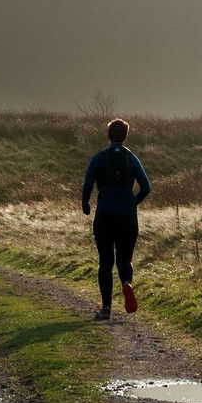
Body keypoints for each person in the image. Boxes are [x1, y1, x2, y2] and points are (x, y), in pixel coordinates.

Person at [81, 118, 150, 320]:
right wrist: (132, 203)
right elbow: (146, 187)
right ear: (126, 136)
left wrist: (86, 205)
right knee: (124, 259)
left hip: (104, 215)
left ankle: (106, 309)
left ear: (108, 136)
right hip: (127, 217)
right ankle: (127, 283)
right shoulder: (132, 158)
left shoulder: (99, 158)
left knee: (105, 262)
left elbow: (88, 184)